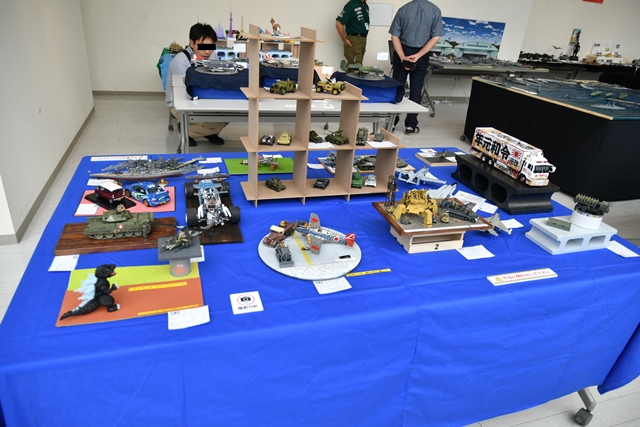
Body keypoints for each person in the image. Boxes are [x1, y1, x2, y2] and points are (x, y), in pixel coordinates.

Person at [165, 23, 227, 147]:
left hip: (206, 96)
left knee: (232, 112)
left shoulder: (212, 55)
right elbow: (183, 93)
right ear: (191, 43)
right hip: (182, 100)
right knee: (213, 118)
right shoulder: (180, 61)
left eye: (211, 47)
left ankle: (205, 130)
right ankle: (188, 131)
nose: (207, 51)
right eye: (203, 47)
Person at [389, 0, 444, 135]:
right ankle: (411, 125)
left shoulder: (403, 9)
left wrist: (403, 57)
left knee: (397, 87)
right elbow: (435, 38)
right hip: (422, 53)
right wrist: (418, 55)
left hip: (402, 50)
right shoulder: (435, 10)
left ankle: (392, 122)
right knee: (416, 89)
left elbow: (394, 36)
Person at [335, 0, 370, 65]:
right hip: (354, 39)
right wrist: (344, 40)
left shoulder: (365, 6)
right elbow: (338, 23)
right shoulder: (352, 4)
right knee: (354, 66)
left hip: (363, 39)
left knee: (359, 65)